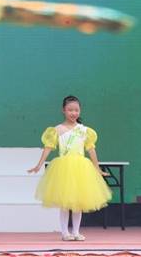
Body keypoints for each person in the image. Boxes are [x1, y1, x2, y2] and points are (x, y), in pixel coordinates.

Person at [28, 95, 111, 241]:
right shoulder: (57, 130)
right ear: (63, 110)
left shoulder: (84, 131)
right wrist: (39, 165)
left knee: (78, 203)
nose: (73, 113)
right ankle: (65, 233)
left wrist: (97, 168)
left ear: (80, 111)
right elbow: (48, 147)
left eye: (76, 110)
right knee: (65, 204)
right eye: (70, 110)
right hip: (64, 169)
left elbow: (91, 149)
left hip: (81, 168)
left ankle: (76, 232)